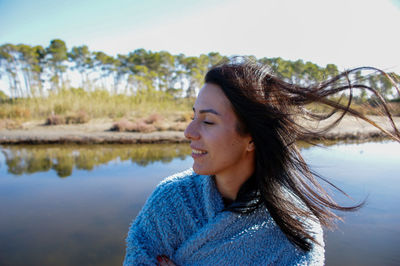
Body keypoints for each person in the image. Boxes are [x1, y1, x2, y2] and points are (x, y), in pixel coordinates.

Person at [123, 58, 399, 265]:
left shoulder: (296, 234)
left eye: (207, 121)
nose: (189, 131)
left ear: (252, 138)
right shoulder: (170, 201)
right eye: (193, 115)